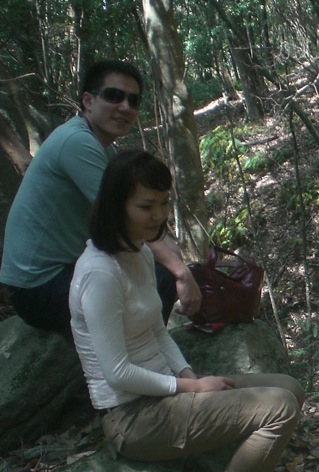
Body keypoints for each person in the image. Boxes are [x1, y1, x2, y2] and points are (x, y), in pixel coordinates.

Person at [69, 150, 304, 472]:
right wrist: (190, 388)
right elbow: (117, 373)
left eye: (163, 203)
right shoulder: (99, 273)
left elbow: (158, 332)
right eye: (145, 205)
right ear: (116, 205)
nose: (158, 215)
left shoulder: (139, 252)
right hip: (132, 416)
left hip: (166, 395)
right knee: (277, 407)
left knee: (289, 388)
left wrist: (191, 375)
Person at [0, 60, 199, 332]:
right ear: (88, 100)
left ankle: (139, 353)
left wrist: (173, 252)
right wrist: (180, 271)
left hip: (62, 273)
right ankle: (141, 362)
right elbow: (124, 220)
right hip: (39, 287)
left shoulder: (104, 149)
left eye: (133, 100)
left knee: (160, 262)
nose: (125, 107)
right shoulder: (77, 143)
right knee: (160, 277)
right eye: (114, 96)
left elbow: (141, 220)